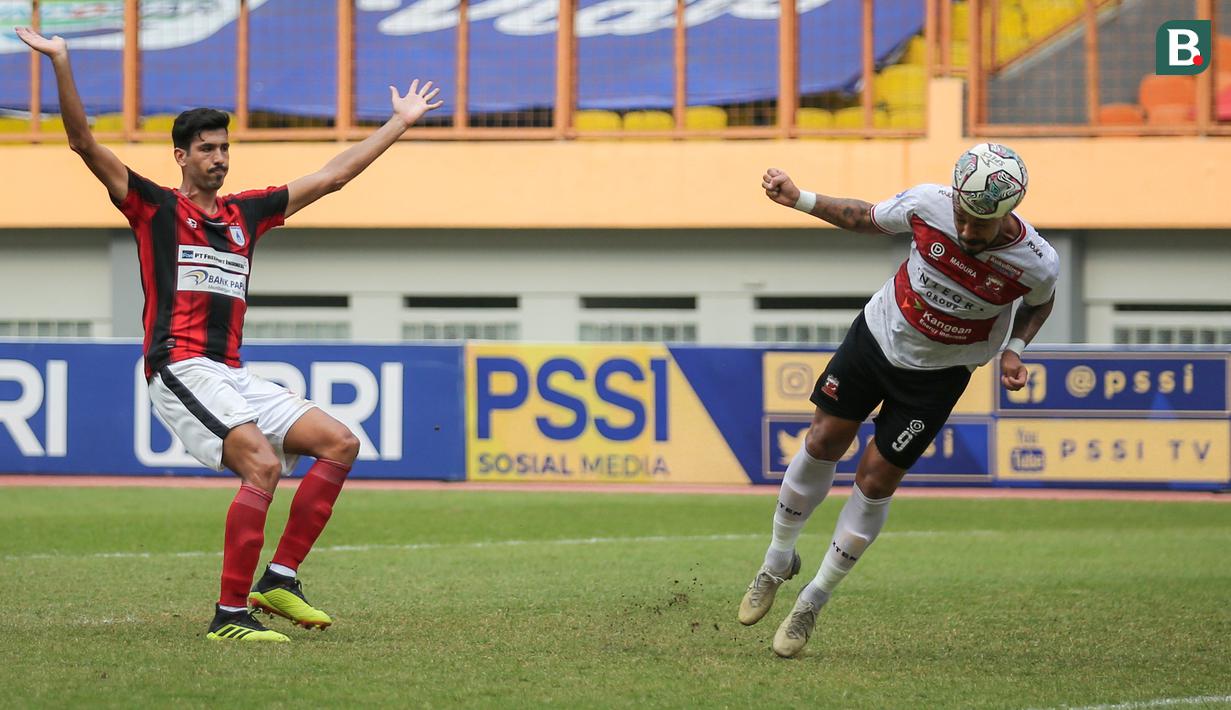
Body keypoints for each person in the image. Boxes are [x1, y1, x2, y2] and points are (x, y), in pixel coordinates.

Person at [15, 26, 443, 642]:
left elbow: (331, 176)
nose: (219, 158)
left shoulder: (247, 214)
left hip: (229, 370)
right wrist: (60, 61)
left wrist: (398, 123)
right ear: (182, 157)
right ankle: (230, 617)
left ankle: (281, 580)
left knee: (340, 443)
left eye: (224, 148)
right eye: (207, 148)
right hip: (178, 366)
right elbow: (83, 142)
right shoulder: (156, 209)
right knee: (263, 466)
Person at [742, 143, 1059, 658]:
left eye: (980, 224)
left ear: (1007, 216)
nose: (966, 230)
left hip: (938, 376)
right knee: (823, 439)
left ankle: (813, 600)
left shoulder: (1036, 262)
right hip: (878, 335)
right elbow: (867, 217)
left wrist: (1014, 349)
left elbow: (1041, 304)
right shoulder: (928, 203)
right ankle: (776, 562)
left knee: (875, 478)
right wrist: (801, 199)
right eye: (961, 214)